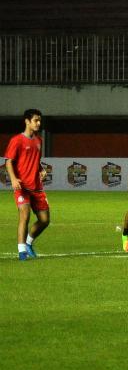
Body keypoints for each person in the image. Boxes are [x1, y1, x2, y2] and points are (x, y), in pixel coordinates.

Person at [4, 109, 49, 261]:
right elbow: (8, 161)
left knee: (45, 220)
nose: (38, 123)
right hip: (22, 186)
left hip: (36, 186)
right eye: (36, 120)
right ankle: (22, 251)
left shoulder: (38, 141)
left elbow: (35, 161)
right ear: (27, 121)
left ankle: (29, 243)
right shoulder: (16, 140)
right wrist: (14, 179)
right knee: (25, 215)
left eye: (40, 120)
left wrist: (41, 169)